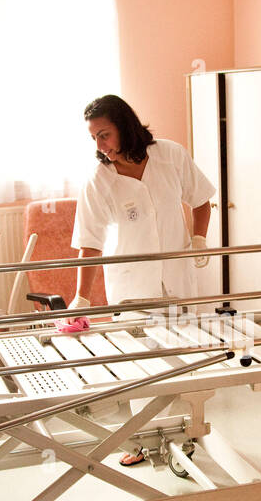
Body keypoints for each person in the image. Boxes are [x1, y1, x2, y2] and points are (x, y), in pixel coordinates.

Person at [70, 94, 216, 465]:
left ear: (125, 126)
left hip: (177, 278)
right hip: (132, 285)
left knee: (183, 360)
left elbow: (201, 199)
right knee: (140, 367)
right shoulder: (100, 181)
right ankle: (140, 444)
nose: (100, 146)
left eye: (104, 135)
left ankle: (186, 438)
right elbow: (89, 244)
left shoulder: (170, 155)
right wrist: (81, 299)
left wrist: (199, 238)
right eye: (94, 139)